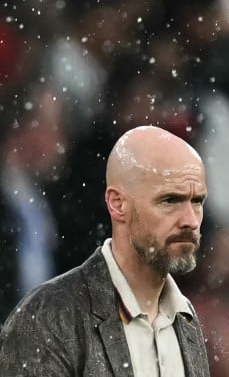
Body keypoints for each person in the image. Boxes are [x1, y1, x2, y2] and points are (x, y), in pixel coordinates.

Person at [0, 125, 211, 377]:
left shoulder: (185, 319)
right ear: (117, 204)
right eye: (169, 200)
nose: (190, 220)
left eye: (197, 201)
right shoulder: (48, 315)